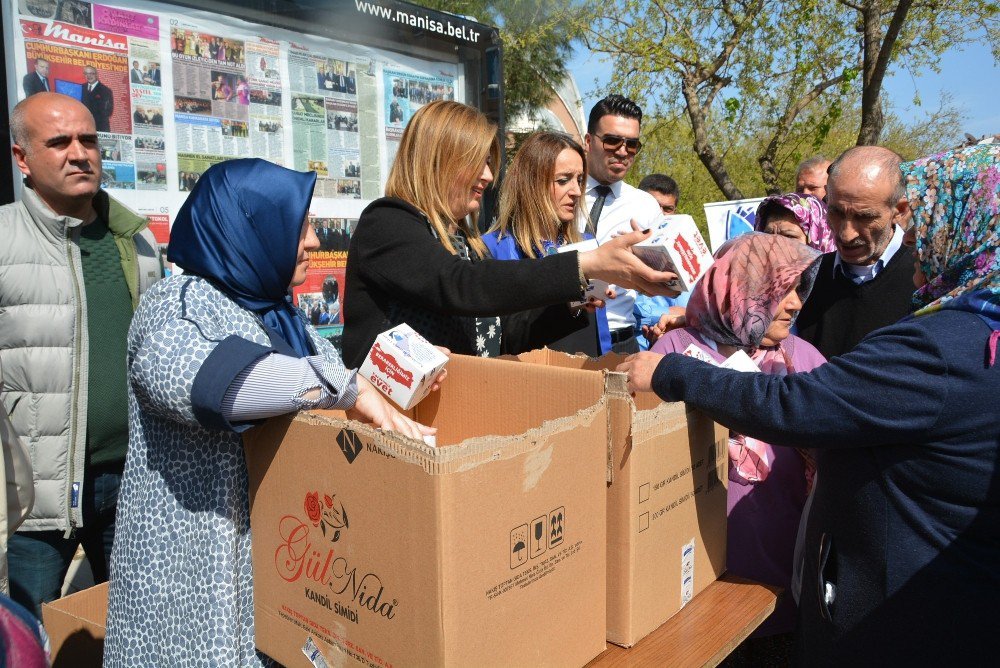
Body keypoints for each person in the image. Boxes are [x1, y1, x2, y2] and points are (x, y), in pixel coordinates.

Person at [618, 140, 1000, 664]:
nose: (919, 239)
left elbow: (797, 405)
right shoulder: (980, 337)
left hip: (900, 620)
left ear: (967, 228)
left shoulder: (943, 345)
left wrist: (674, 373)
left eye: (927, 223)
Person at [104, 159, 437, 666]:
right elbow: (222, 387)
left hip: (272, 570)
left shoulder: (280, 313)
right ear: (250, 229)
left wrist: (405, 377)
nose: (312, 242)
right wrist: (347, 388)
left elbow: (337, 387)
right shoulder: (178, 303)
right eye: (298, 226)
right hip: (194, 578)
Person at [342, 100, 680, 368]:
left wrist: (571, 306)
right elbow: (460, 284)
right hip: (393, 432)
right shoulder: (387, 222)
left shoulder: (464, 245)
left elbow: (502, 337)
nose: (488, 176)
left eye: (490, 163)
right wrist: (585, 264)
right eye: (478, 161)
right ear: (438, 161)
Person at [0, 92, 162, 619]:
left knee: (134, 631)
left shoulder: (135, 242)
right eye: (59, 141)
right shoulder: (3, 240)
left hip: (130, 485)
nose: (79, 153)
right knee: (31, 635)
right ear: (22, 159)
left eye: (88, 139)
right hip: (38, 499)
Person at [651, 233, 826, 661]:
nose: (795, 304)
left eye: (798, 291)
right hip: (697, 574)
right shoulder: (674, 352)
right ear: (741, 288)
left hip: (780, 572)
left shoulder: (804, 359)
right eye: (781, 290)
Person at [484, 131, 613, 356]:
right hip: (523, 380)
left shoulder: (588, 245)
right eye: (563, 180)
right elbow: (496, 339)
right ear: (531, 183)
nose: (575, 191)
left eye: (580, 180)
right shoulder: (493, 248)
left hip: (585, 376)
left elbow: (599, 334)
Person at [795, 146, 914, 359]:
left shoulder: (926, 280)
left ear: (900, 210)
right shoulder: (806, 278)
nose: (846, 234)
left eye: (864, 217)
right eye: (836, 212)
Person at [584, 95, 663, 353]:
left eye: (631, 144)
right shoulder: (559, 195)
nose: (622, 151)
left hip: (621, 342)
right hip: (564, 334)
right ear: (588, 141)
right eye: (612, 140)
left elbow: (663, 281)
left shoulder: (646, 206)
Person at [634, 172, 690, 350]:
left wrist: (680, 318)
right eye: (654, 206)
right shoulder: (619, 247)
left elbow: (693, 315)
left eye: (667, 209)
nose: (660, 215)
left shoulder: (686, 257)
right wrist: (663, 314)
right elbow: (619, 311)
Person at [754, 192, 836, 253]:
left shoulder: (839, 275)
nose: (774, 246)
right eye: (768, 236)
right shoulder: (750, 274)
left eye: (789, 236)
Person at [81, 66, 114, 132]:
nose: (89, 76)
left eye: (91, 73)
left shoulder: (106, 90)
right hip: (83, 126)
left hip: (100, 127)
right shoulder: (81, 87)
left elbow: (109, 111)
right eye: (86, 73)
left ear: (96, 74)